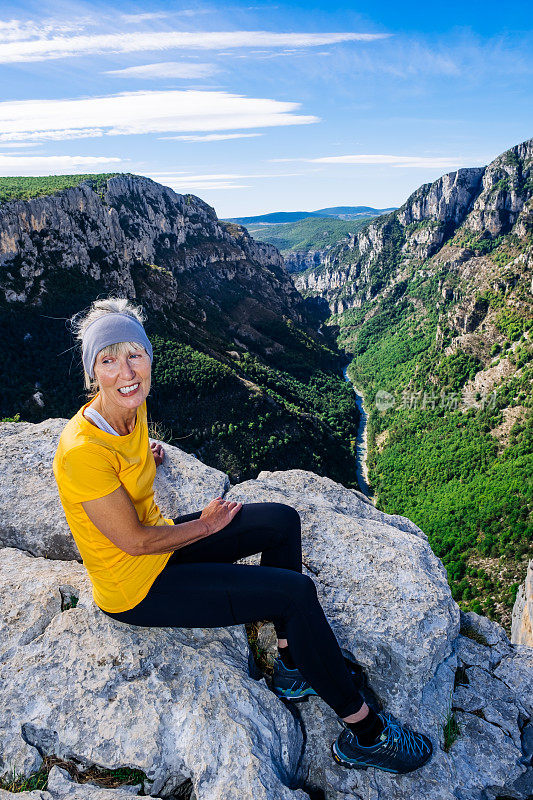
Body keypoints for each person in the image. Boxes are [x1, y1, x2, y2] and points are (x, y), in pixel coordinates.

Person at [52, 297, 433, 775]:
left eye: (135, 355)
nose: (125, 371)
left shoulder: (130, 408)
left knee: (281, 520)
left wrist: (147, 455)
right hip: (137, 588)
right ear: (92, 373)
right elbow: (134, 542)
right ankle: (367, 734)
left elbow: (126, 462)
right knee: (296, 595)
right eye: (108, 360)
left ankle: (292, 666)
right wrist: (207, 526)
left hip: (164, 544)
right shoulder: (80, 451)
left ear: (150, 358)